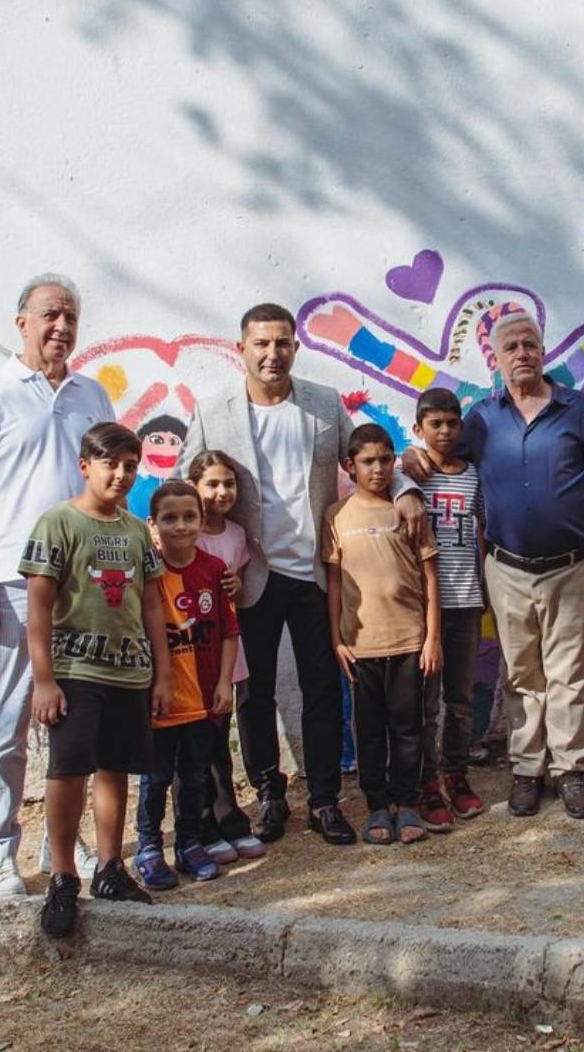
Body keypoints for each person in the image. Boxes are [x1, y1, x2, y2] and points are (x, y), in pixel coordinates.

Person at [177, 303, 426, 847]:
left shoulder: (321, 403)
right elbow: (183, 482)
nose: (272, 353)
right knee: (254, 694)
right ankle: (270, 793)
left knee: (322, 690)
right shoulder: (213, 409)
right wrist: (172, 543)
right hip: (248, 576)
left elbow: (365, 456)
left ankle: (324, 800)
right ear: (241, 348)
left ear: (295, 347)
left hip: (316, 571)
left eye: (282, 343)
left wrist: (406, 492)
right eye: (261, 343)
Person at [403, 312, 584, 819]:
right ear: (497, 359)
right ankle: (527, 770)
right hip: (507, 567)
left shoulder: (580, 411)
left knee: (570, 674)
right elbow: (438, 457)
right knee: (523, 674)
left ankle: (569, 770)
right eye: (512, 347)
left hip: (573, 564)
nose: (522, 353)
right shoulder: (481, 418)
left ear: (543, 351)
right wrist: (405, 465)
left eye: (530, 344)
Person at [0, 274, 115, 897]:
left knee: (78, 727)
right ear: (21, 322)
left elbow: (107, 489)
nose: (61, 327)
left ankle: (62, 845)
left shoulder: (92, 395)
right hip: (15, 586)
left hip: (86, 586)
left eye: (71, 316)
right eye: (49, 316)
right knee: (8, 725)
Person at [20, 423, 171, 938]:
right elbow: (38, 607)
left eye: (131, 465)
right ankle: (63, 875)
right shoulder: (57, 523)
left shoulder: (134, 530)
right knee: (69, 770)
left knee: (116, 767)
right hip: (74, 670)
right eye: (111, 464)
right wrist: (45, 680)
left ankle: (110, 867)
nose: (121, 474)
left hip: (129, 671)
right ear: (86, 465)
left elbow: (152, 603)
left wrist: (162, 673)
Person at [322, 424, 441, 846]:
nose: (377, 469)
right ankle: (376, 805)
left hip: (408, 641)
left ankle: (407, 802)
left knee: (408, 728)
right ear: (350, 465)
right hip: (360, 646)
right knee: (368, 729)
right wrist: (337, 638)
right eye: (367, 461)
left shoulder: (408, 512)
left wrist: (432, 639)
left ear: (395, 462)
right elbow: (335, 582)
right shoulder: (336, 516)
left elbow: (430, 577)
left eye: (385, 460)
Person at [134, 480, 239, 888]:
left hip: (204, 698)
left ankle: (190, 844)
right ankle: (147, 848)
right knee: (155, 777)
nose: (181, 526)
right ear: (153, 524)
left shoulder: (214, 571)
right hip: (161, 700)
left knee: (195, 775)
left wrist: (225, 684)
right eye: (170, 518)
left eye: (189, 517)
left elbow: (230, 631)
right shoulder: (147, 575)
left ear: (201, 520)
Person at [411, 387, 486, 831]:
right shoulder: (410, 478)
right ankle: (425, 783)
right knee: (425, 704)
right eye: (434, 424)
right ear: (419, 429)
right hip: (421, 609)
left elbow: (483, 531)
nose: (443, 431)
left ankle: (456, 775)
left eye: (451, 423)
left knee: (460, 700)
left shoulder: (472, 475)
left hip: (466, 601)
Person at [188, 450, 267, 862]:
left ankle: (229, 820)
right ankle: (201, 826)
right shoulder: (185, 531)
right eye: (212, 484)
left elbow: (234, 581)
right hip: (191, 650)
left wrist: (234, 588)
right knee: (197, 741)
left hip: (226, 646)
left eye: (229, 483)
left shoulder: (237, 535)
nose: (222, 491)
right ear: (195, 486)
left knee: (219, 736)